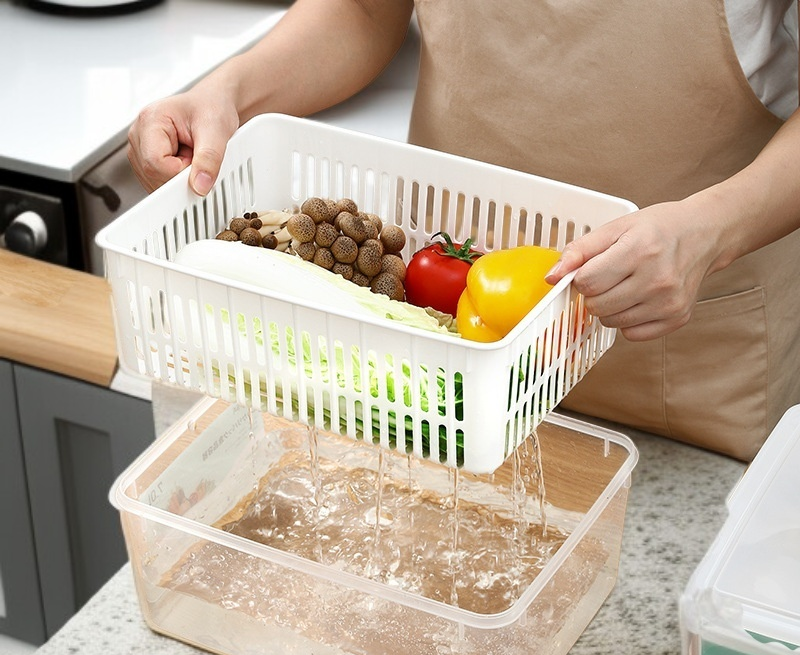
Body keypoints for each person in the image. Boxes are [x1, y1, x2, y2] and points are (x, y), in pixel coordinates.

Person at [127, 0, 800, 462]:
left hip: (674, 357)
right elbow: (365, 10)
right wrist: (232, 94)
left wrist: (715, 227)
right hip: (436, 327)